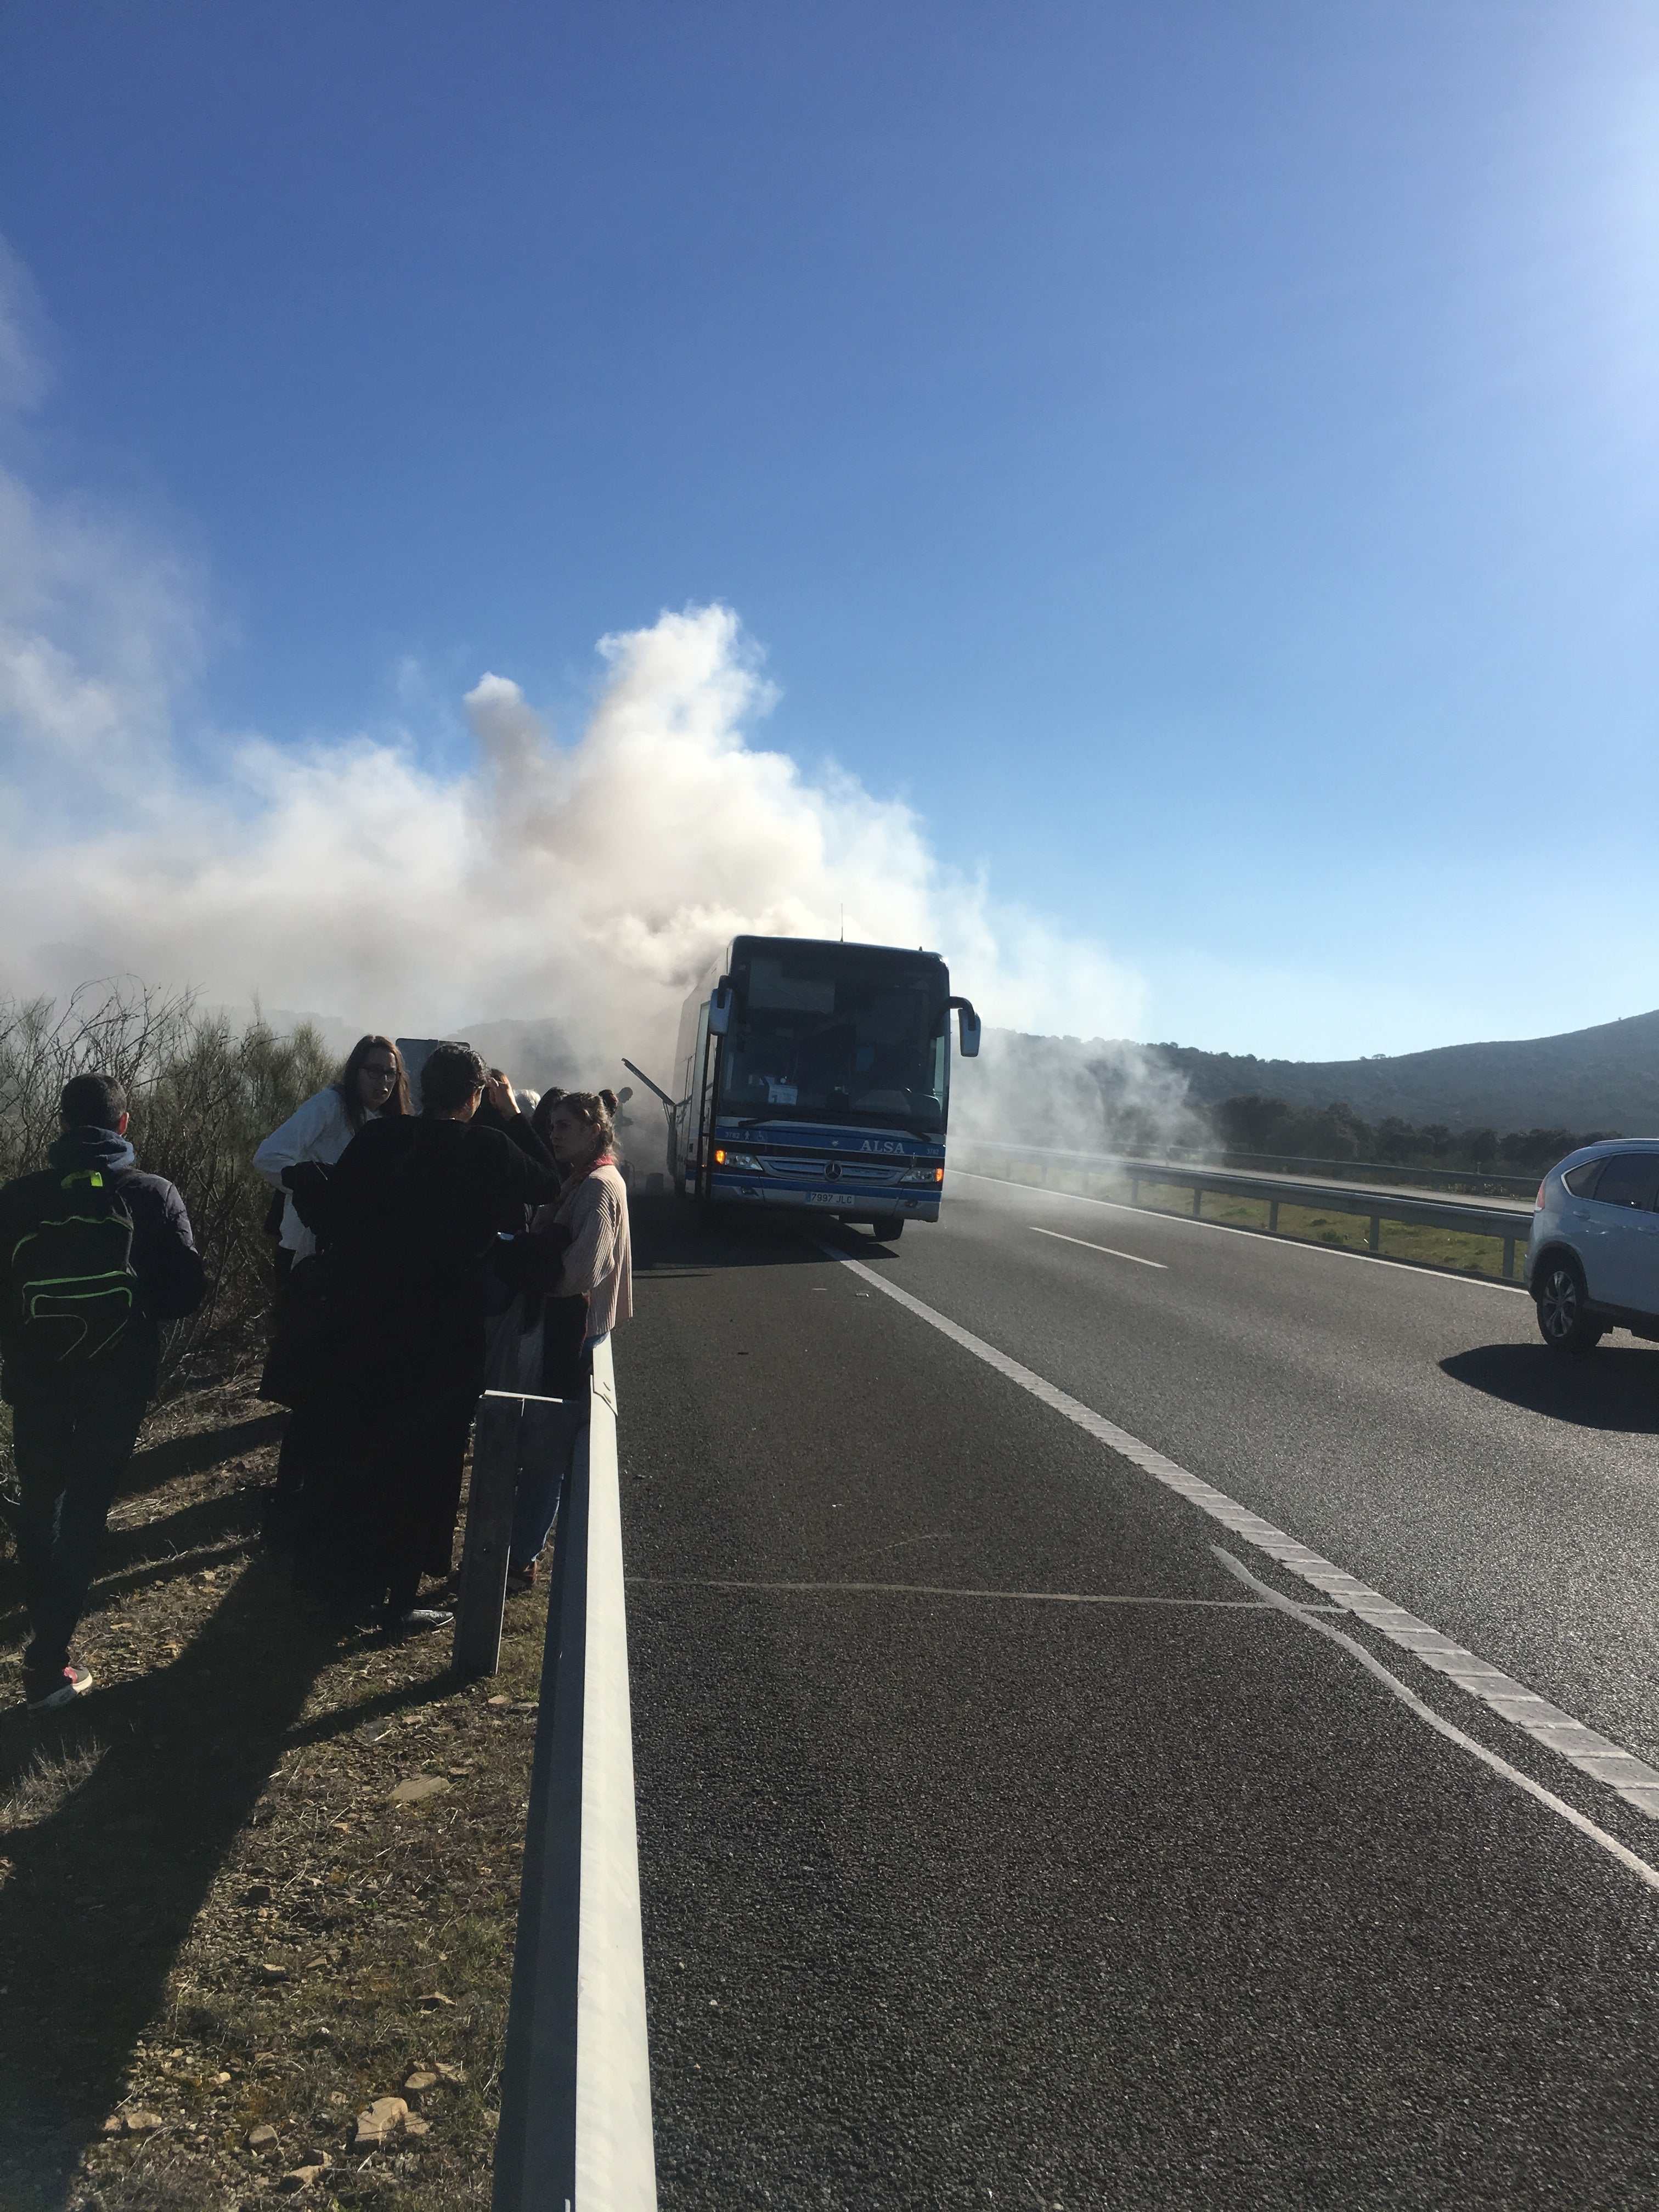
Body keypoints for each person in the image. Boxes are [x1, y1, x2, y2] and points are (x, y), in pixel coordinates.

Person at [296, 1041, 566, 1634]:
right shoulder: (489, 1147)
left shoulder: (381, 1141)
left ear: (423, 1085)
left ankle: (345, 1581)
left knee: (363, 1446)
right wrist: (514, 1116)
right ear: (474, 1096)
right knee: (431, 1462)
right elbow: (548, 1183)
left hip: (368, 1324)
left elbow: (335, 1210)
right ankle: (399, 1598)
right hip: (447, 1333)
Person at [0, 1072, 206, 1712]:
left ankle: (46, 1638)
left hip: (36, 1379)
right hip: (117, 1382)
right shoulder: (149, 1193)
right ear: (124, 1125)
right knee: (84, 1506)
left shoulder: (17, 1200)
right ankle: (47, 1663)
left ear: (62, 1125)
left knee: (43, 1498)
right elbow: (184, 1294)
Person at [253, 1036, 410, 1550]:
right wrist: (312, 1183)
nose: (382, 1082)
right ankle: (289, 1499)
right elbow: (270, 1155)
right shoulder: (329, 1107)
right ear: (353, 1072)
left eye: (391, 1074)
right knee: (310, 1382)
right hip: (312, 1259)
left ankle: (312, 1491)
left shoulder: (391, 1124)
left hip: (361, 1265)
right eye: (373, 1072)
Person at [505, 1088, 632, 1590]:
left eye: (563, 1127)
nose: (553, 1134)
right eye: (552, 1125)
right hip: (565, 1326)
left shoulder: (598, 1186)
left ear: (594, 1131)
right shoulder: (580, 1178)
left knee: (544, 1447)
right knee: (538, 1440)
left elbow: (582, 1271)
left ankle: (519, 1557)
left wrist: (529, 1274)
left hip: (570, 1329)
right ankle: (519, 1548)